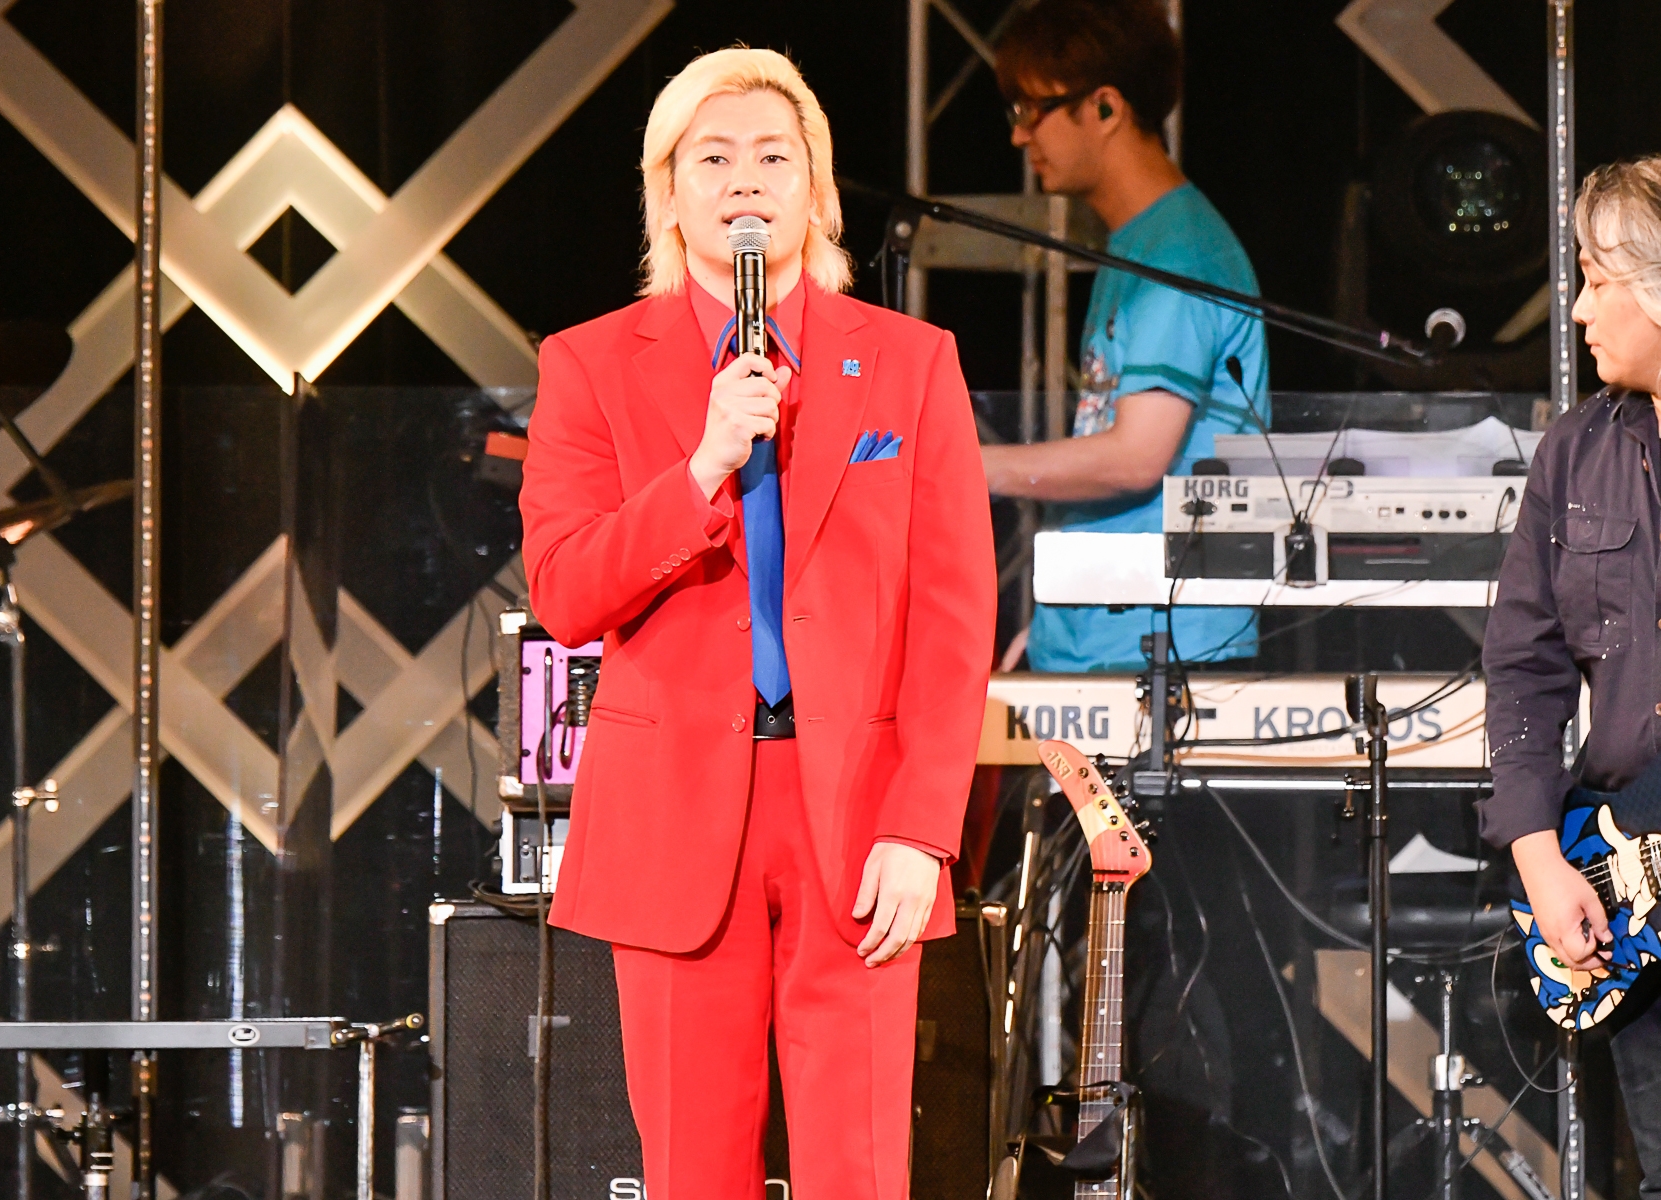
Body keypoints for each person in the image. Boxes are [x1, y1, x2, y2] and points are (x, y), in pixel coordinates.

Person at [518, 48, 996, 1200]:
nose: (745, 180)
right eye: (713, 158)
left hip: (858, 817)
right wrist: (702, 466)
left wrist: (921, 828)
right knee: (692, 1173)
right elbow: (565, 591)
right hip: (675, 818)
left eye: (775, 157)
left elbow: (953, 611)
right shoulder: (588, 366)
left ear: (816, 190)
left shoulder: (909, 363)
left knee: (859, 1171)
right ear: (667, 192)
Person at [980, 0, 1270, 672]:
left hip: (1164, 649)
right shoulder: (1142, 242)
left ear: (1105, 108)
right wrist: (1053, 631)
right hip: (1105, 638)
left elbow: (1137, 457)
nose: (1019, 136)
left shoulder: (1178, 253)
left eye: (1031, 110)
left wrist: (970, 468)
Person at [1483, 156, 1661, 1195]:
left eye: (1597, 281)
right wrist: (1540, 855)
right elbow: (1522, 665)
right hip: (1627, 874)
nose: (1580, 311)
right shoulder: (1573, 452)